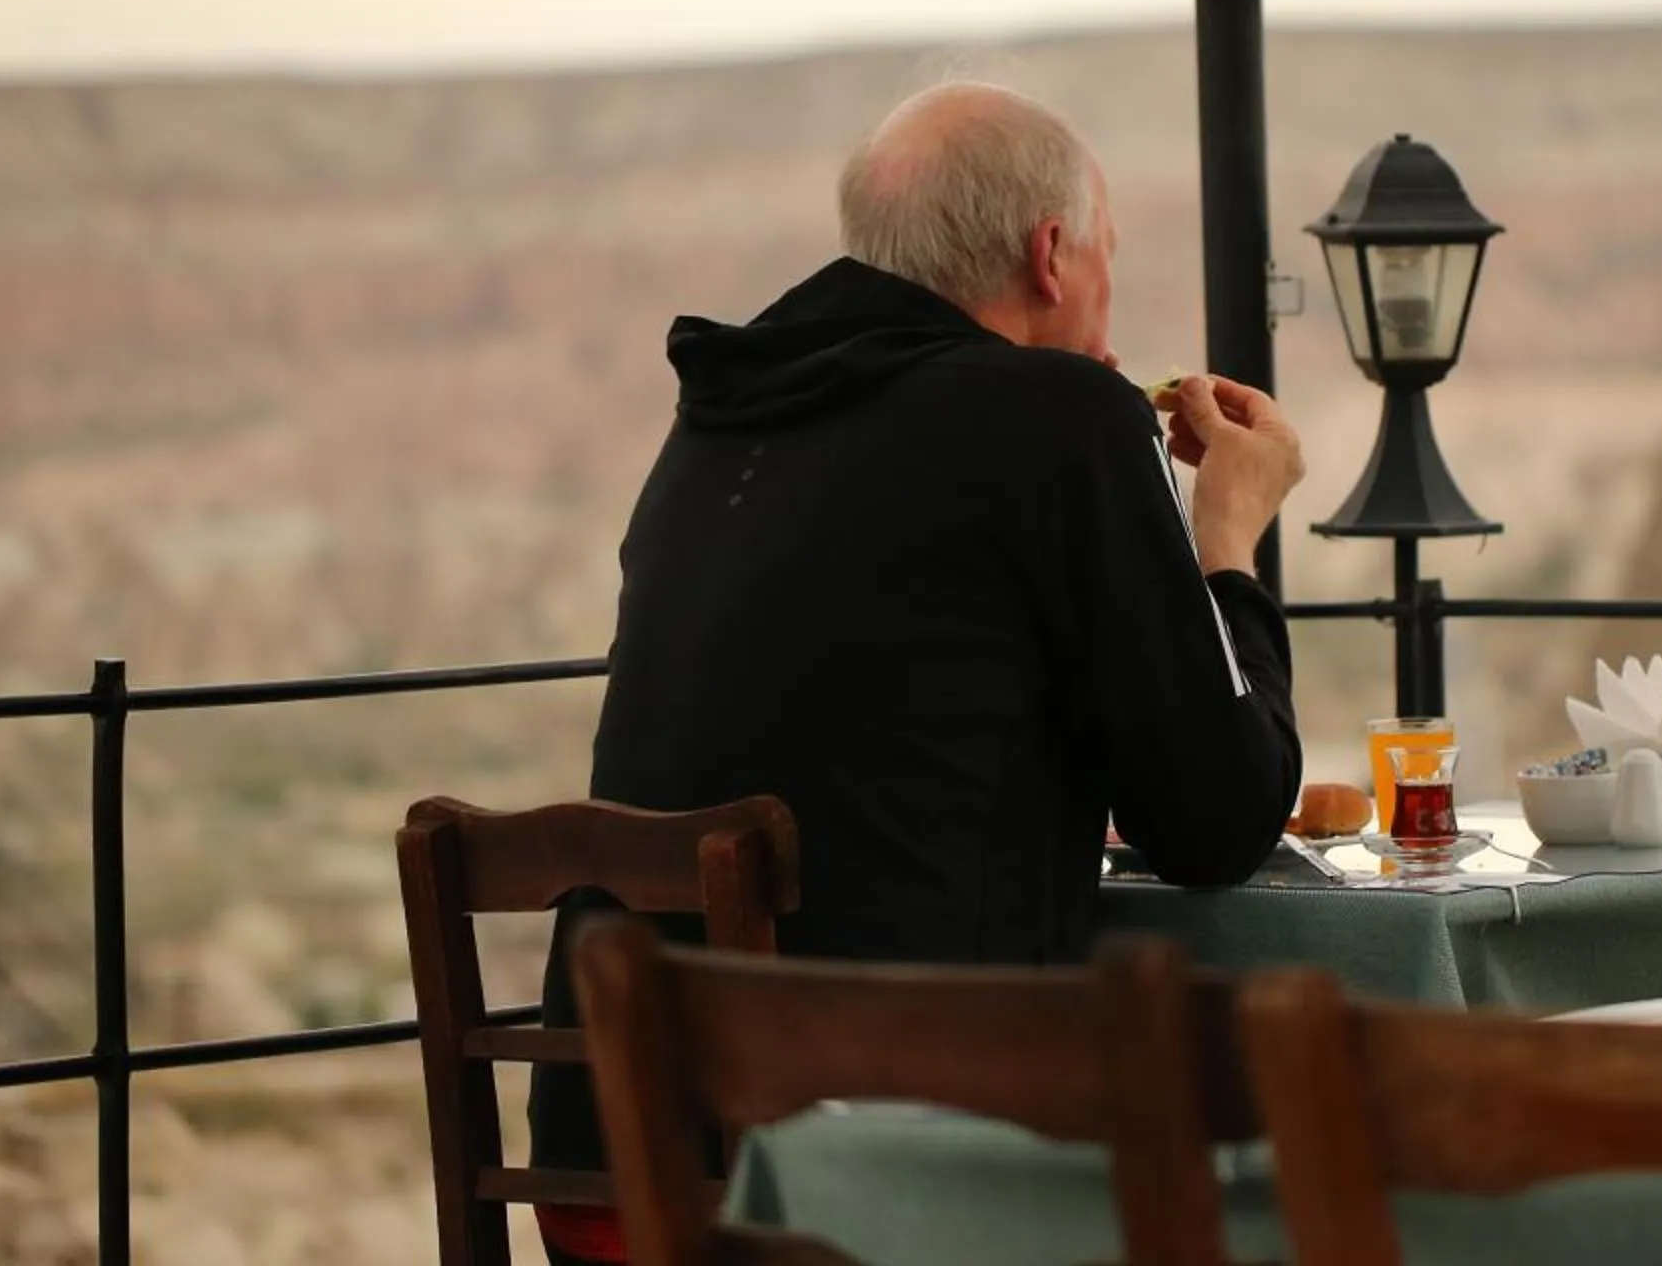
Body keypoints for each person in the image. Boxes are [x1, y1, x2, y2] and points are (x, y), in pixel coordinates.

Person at [528, 82, 1305, 1261]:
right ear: (1051, 254)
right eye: (1108, 258)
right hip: (885, 1174)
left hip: (611, 1158)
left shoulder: (716, 416)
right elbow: (1220, 814)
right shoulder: (1063, 416)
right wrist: (1229, 540)